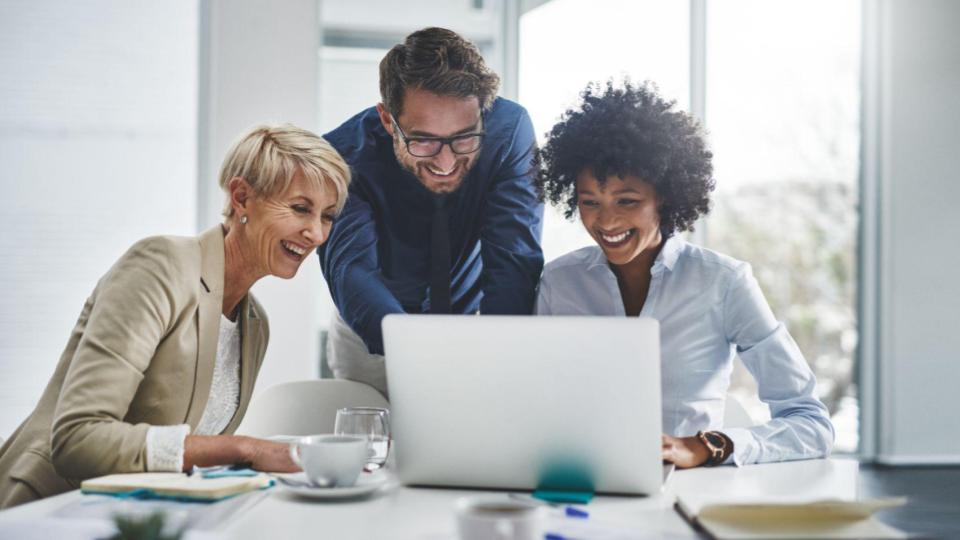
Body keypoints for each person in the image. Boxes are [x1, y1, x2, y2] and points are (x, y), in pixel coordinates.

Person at [0, 124, 351, 508]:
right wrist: (242, 448)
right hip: (49, 509)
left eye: (328, 216)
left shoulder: (255, 325)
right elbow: (78, 439)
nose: (317, 233)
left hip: (139, 520)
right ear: (241, 197)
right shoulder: (160, 266)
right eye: (300, 208)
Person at [534, 81, 834, 468]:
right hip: (582, 482)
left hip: (688, 491)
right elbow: (536, 402)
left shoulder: (723, 283)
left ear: (665, 196)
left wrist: (704, 446)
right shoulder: (560, 283)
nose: (606, 221)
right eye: (590, 202)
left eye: (627, 201)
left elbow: (811, 424)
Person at [320, 27, 543, 395]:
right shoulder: (341, 155)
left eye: (463, 137)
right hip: (371, 336)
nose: (445, 161)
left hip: (473, 324)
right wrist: (421, 355)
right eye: (423, 139)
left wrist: (499, 353)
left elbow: (514, 257)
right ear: (388, 119)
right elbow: (352, 270)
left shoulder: (509, 131)